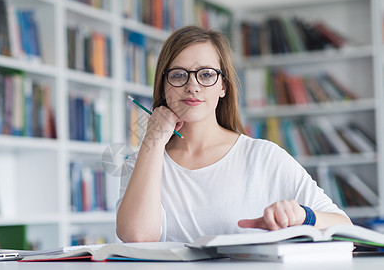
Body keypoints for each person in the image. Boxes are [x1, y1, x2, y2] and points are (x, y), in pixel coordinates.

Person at [116, 25, 352, 243]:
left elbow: (346, 230)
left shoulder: (263, 157)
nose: (192, 85)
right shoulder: (142, 162)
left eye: (206, 74)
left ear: (223, 86)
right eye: (178, 75)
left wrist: (303, 216)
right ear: (163, 85)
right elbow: (138, 237)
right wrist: (153, 141)